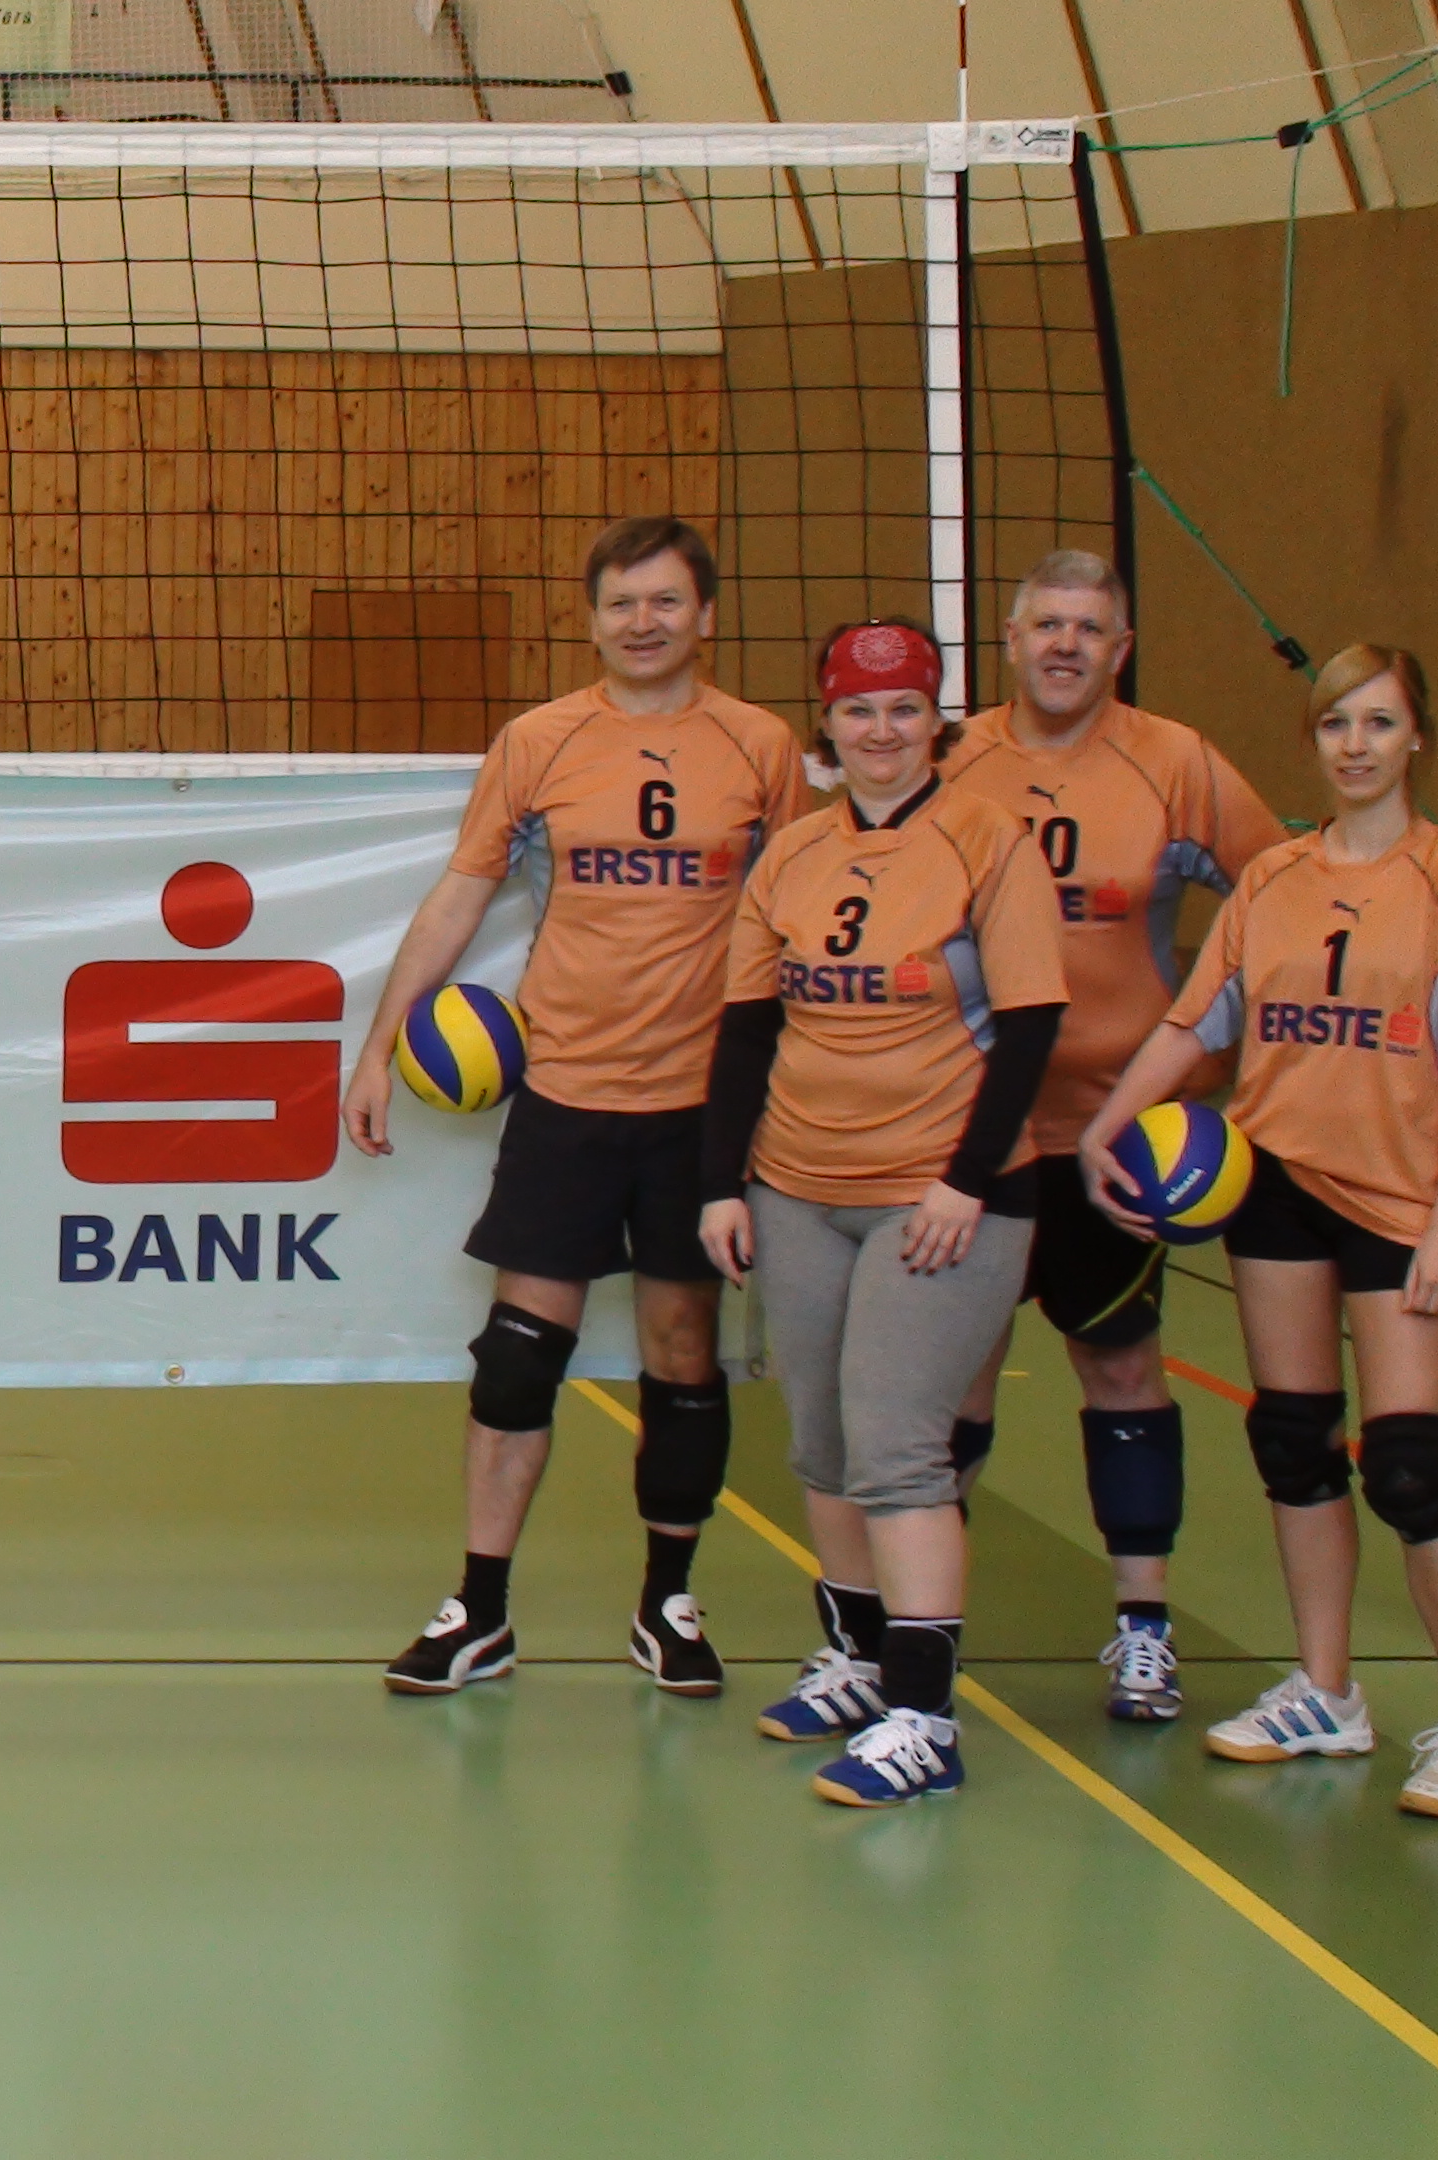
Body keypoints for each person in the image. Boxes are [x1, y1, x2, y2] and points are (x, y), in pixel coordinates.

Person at [345, 516, 809, 1696]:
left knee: (684, 1354)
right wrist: (380, 1043)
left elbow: (801, 916)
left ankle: (669, 1602)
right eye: (621, 603)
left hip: (700, 1104)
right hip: (566, 1090)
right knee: (515, 1360)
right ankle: (480, 1611)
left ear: (705, 615)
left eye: (665, 601)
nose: (643, 623)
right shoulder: (541, 741)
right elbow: (462, 893)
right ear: (591, 619)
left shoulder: (760, 746)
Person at [1079, 645, 1438, 1819]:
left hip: (1398, 1201)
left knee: (1409, 1467)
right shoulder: (1272, 877)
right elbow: (1193, 1025)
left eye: (1378, 722)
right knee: (1292, 1440)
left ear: (1417, 737)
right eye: (1335, 724)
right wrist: (1108, 1127)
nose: (1355, 745)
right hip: (1275, 1185)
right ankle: (1327, 1692)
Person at [703, 619, 1068, 1805]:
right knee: (820, 1444)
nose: (881, 730)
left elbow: (1031, 1026)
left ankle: (925, 1720)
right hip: (797, 1187)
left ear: (937, 720)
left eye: (904, 707)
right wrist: (721, 1182)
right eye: (859, 710)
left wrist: (967, 1179)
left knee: (900, 1448)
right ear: (827, 725)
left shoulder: (986, 839)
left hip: (940, 1197)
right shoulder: (794, 855)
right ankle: (859, 1662)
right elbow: (747, 1030)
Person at [940, 551, 1284, 1722]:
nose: (1065, 646)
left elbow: (1280, 894)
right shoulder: (953, 760)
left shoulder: (1176, 763)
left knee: (1123, 1365)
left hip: (1116, 1134)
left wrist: (1213, 1050)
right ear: (1009, 637)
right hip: (976, 1132)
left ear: (1120, 649)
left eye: (1089, 629)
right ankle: (916, 1627)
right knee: (954, 1377)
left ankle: (1144, 1630)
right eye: (1047, 625)